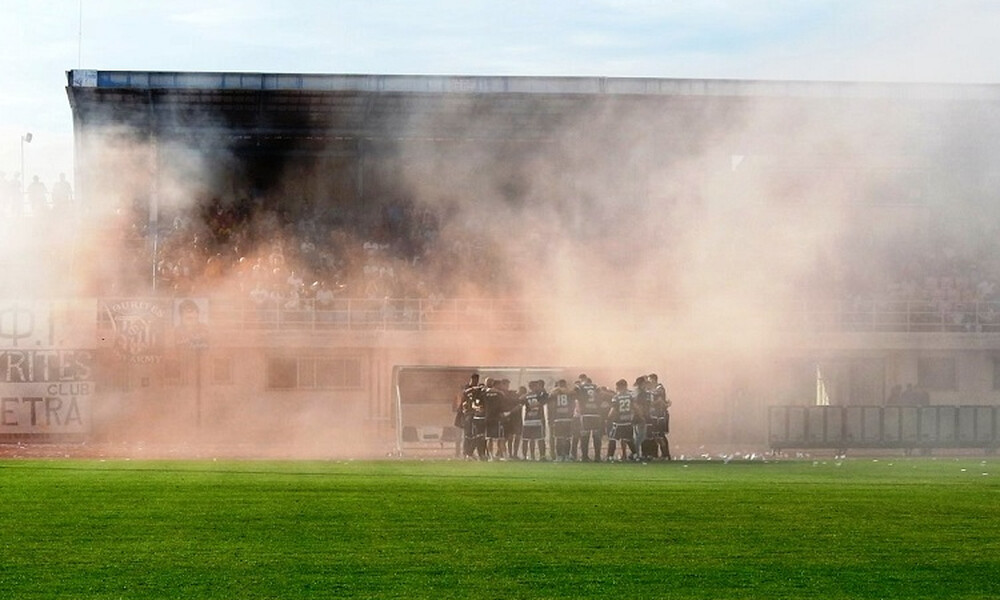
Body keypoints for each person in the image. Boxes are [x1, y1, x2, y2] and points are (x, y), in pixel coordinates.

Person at [574, 374, 604, 462]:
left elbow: (575, 395)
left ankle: (584, 457)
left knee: (585, 436)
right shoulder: (596, 387)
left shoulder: (580, 387)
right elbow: (601, 395)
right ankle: (597, 457)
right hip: (596, 414)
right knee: (596, 436)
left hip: (586, 414)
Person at [606, 379, 637, 461]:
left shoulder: (616, 397)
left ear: (620, 387)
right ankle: (635, 454)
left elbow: (613, 410)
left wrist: (608, 418)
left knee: (612, 439)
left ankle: (610, 456)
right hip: (627, 422)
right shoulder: (630, 396)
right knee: (629, 439)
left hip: (618, 422)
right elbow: (635, 407)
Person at [548, 379, 575, 461]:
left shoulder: (554, 393)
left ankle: (559, 456)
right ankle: (566, 455)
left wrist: (551, 418)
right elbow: (572, 404)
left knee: (558, 438)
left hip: (558, 418)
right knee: (567, 438)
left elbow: (551, 405)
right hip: (567, 418)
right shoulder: (569, 393)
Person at [521, 380, 548, 461]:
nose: (538, 387)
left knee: (527, 439)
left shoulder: (526, 395)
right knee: (540, 439)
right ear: (533, 387)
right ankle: (542, 456)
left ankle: (526, 456)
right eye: (537, 386)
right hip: (537, 420)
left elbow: (520, 401)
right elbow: (546, 398)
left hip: (527, 420)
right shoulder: (540, 394)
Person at [646, 373, 672, 460]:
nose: (648, 382)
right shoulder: (652, 389)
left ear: (653, 380)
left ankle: (665, 454)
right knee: (655, 435)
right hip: (654, 415)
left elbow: (660, 401)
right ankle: (656, 454)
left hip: (660, 416)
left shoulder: (659, 389)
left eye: (649, 380)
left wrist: (650, 404)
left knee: (660, 435)